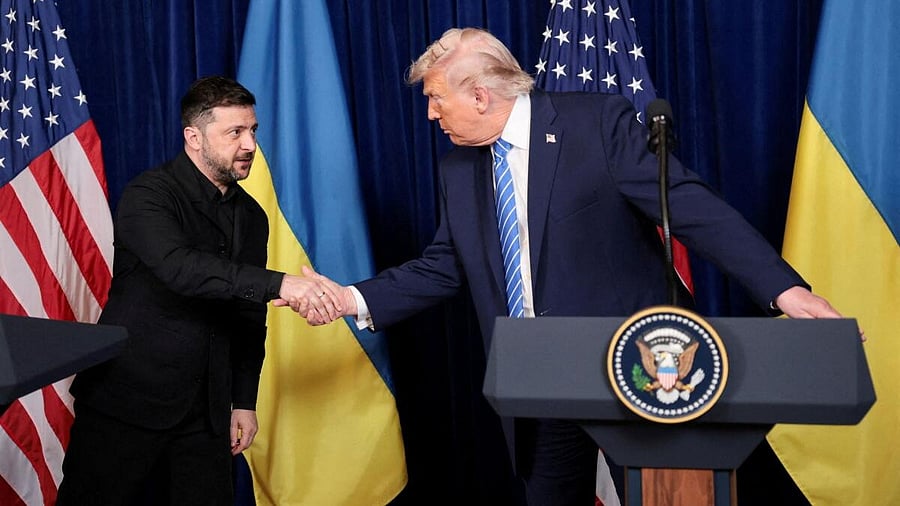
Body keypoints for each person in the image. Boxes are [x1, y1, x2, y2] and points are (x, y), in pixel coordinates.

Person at [292, 28, 844, 506]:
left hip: (635, 372)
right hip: (538, 381)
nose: (431, 113)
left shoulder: (597, 124)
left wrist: (785, 291)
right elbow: (445, 266)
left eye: (436, 99)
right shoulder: (458, 169)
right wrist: (348, 299)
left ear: (480, 95)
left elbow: (691, 208)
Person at [56, 76, 340, 505]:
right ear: (194, 137)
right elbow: (181, 270)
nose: (249, 145)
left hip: (206, 414)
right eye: (235, 133)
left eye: (252, 131)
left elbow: (249, 317)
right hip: (126, 402)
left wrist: (243, 400)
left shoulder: (252, 215)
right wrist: (281, 283)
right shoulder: (148, 195)